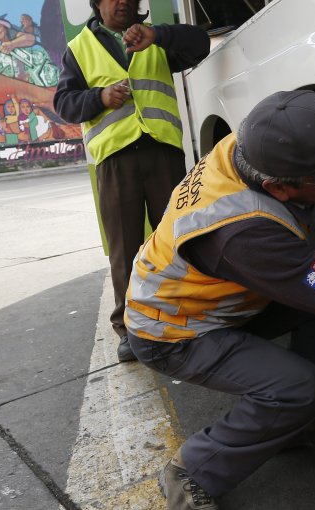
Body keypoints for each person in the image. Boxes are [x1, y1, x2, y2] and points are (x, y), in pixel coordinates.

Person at [124, 90, 315, 509]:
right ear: (279, 188)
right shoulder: (245, 234)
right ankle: (192, 469)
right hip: (175, 333)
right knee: (298, 389)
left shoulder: (253, 147)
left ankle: (287, 425)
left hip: (213, 302)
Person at [53, 0, 210, 362]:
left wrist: (158, 35)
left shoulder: (156, 38)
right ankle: (130, 328)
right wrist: (100, 97)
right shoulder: (79, 49)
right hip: (116, 160)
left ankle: (192, 314)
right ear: (97, 4)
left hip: (162, 151)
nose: (122, 1)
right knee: (125, 248)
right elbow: (63, 103)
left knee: (177, 239)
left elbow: (199, 43)